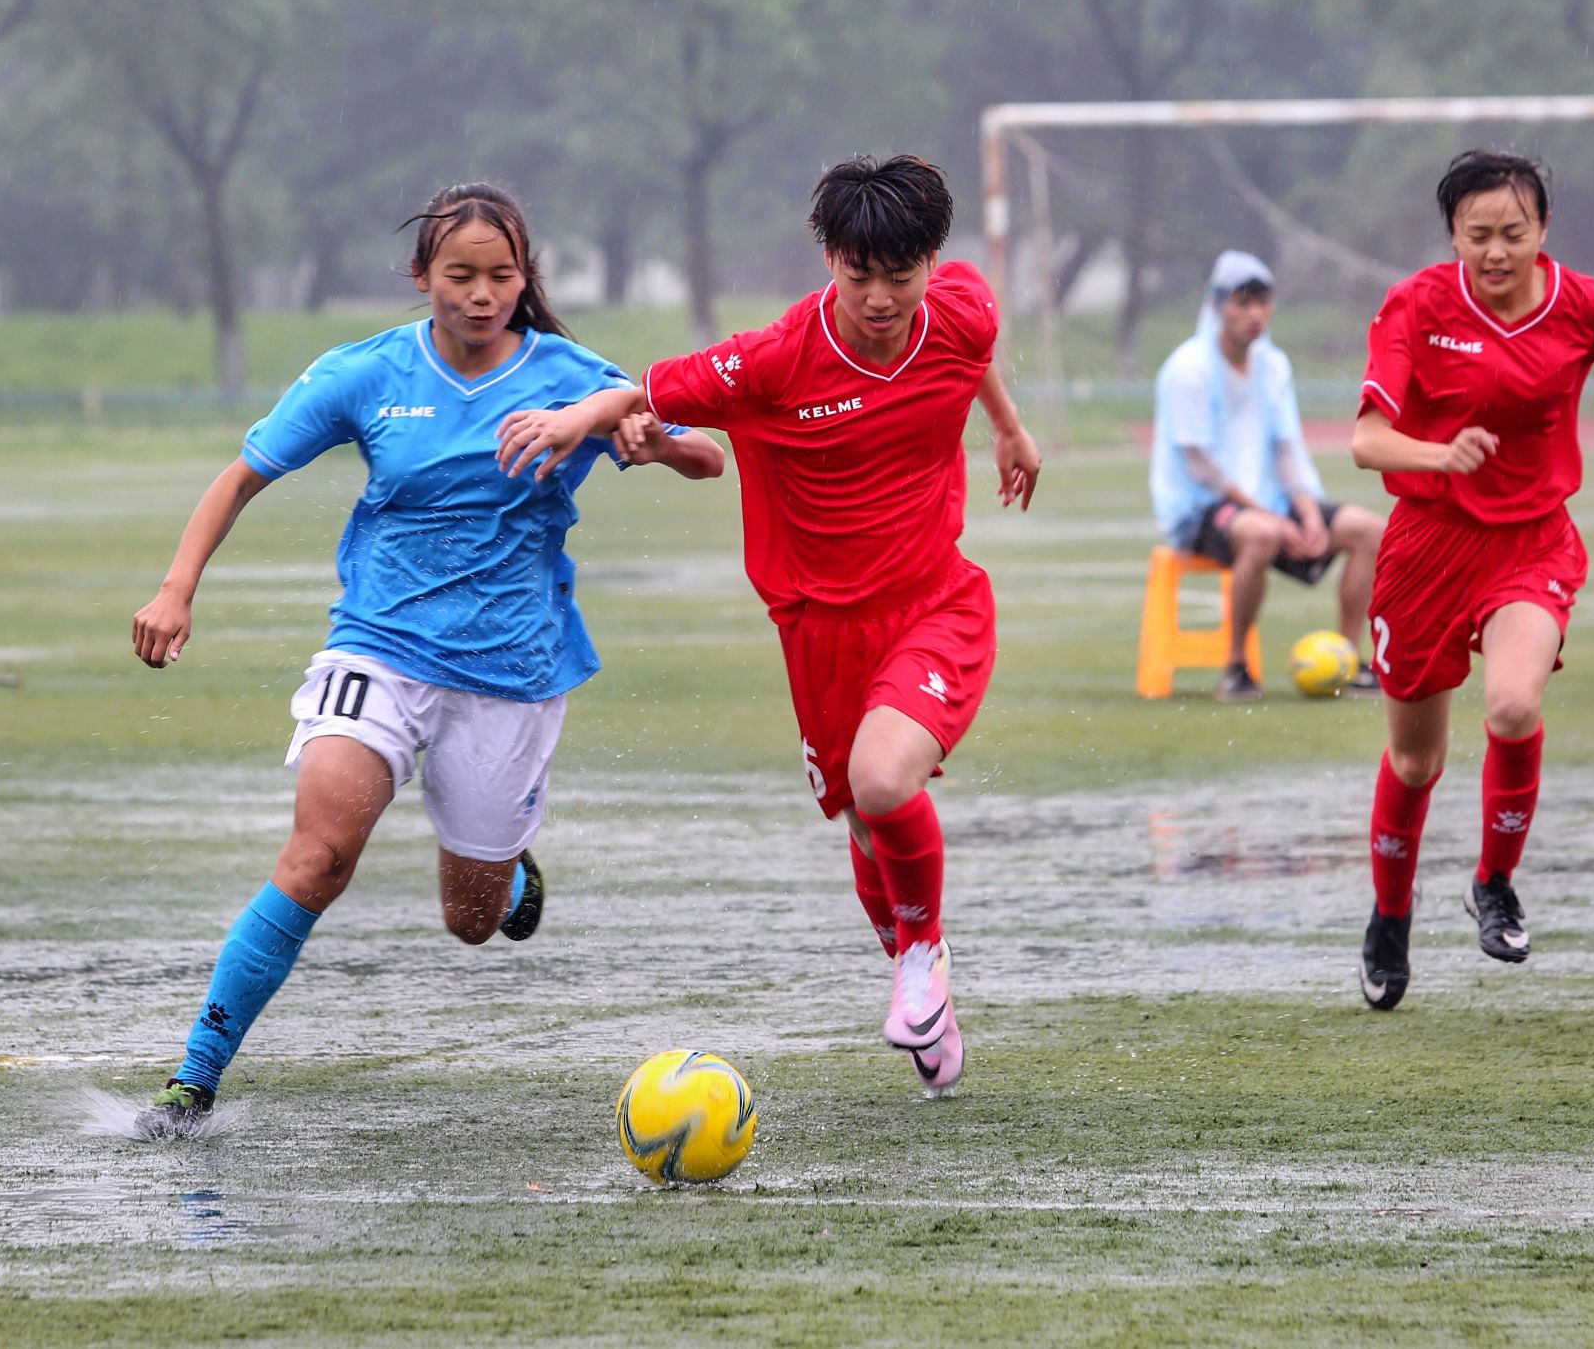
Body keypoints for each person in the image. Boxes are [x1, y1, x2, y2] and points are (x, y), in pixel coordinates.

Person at [127, 182, 724, 1132]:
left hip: (510, 671)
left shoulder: (571, 375)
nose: (483, 295)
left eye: (502, 275)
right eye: (461, 276)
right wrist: (176, 587)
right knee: (319, 856)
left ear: (525, 279)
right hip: (380, 648)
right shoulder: (365, 374)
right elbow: (242, 476)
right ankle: (192, 1082)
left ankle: (512, 868)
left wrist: (648, 445)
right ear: (421, 277)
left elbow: (706, 456)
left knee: (471, 920)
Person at [495, 154, 1040, 1096]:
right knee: (869, 830)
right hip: (817, 629)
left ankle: (923, 957)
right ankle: (921, 985)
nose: (878, 297)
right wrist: (576, 419)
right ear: (829, 257)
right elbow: (647, 396)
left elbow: (975, 352)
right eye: (857, 274)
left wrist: (1007, 427)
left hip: (934, 600)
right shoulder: (778, 358)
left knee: (882, 780)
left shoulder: (963, 310)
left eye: (899, 277)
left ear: (931, 263)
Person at [1349, 150, 1594, 1010]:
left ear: (1543, 230)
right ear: (1453, 237)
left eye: (1513, 232)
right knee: (1416, 760)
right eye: (1478, 236)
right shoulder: (1418, 307)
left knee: (1512, 704)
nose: (1496, 251)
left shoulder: (1585, 307)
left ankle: (1493, 883)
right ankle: (1390, 918)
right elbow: (1366, 441)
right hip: (1427, 547)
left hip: (1531, 544)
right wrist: (1439, 452)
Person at [1152, 250, 1385, 701]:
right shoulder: (1188, 369)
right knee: (1260, 534)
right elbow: (1202, 468)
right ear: (1217, 305)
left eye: (1262, 302)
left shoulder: (1273, 365)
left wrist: (1306, 512)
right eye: (1242, 302)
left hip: (1271, 502)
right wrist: (1276, 521)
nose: (1254, 314)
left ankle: (1347, 660)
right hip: (1201, 509)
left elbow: (1286, 449)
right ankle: (1237, 668)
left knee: (1369, 530)